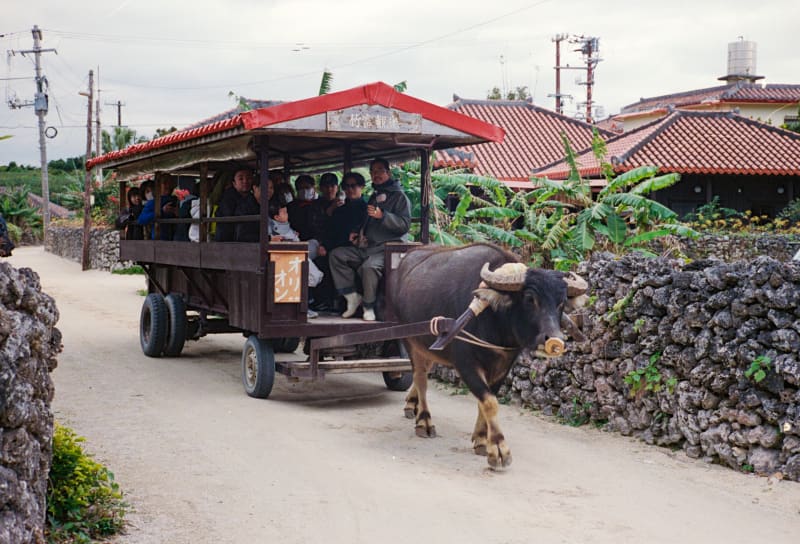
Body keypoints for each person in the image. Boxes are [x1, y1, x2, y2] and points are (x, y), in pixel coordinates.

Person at [329, 158, 411, 321]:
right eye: (373, 171)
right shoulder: (375, 194)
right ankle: (351, 296)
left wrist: (383, 216)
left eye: (380, 170)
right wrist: (357, 233)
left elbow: (404, 225)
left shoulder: (399, 196)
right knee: (337, 255)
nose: (376, 174)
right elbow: (368, 220)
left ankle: (368, 306)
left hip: (387, 249)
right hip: (367, 247)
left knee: (369, 267)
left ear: (388, 172)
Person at [269, 201, 322, 318]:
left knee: (313, 277)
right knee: (304, 279)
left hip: (298, 256)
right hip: (287, 260)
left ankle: (306, 306)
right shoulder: (272, 229)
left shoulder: (287, 226)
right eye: (284, 213)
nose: (287, 214)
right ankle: (304, 308)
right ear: (277, 217)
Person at [214, 169, 259, 242]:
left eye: (249, 178)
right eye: (241, 179)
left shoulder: (253, 197)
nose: (245, 181)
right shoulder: (227, 198)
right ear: (234, 183)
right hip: (228, 241)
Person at [328, 172, 367, 250]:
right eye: (346, 186)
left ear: (361, 187)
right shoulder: (339, 210)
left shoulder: (367, 209)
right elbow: (332, 232)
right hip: (339, 246)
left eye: (353, 186)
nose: (349, 189)